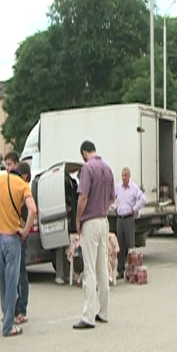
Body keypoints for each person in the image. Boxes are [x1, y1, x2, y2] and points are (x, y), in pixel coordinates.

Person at [0, 151, 37, 337]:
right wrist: (25, 230)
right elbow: (33, 210)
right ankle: (8, 325)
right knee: (13, 281)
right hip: (12, 238)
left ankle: (7, 316)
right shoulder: (22, 185)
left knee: (4, 282)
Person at [74, 141, 115, 330]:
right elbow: (113, 197)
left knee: (89, 269)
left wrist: (78, 218)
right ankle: (104, 311)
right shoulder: (107, 168)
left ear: (84, 153)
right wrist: (104, 209)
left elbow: (82, 197)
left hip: (90, 221)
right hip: (103, 220)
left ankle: (88, 316)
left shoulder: (87, 168)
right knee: (102, 268)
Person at [114, 167, 146, 278]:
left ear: (129, 176)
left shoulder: (134, 188)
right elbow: (111, 199)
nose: (124, 178)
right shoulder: (118, 187)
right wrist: (115, 208)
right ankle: (120, 270)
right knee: (120, 245)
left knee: (130, 245)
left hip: (128, 218)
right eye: (122, 175)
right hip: (120, 218)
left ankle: (133, 270)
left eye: (126, 176)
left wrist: (135, 208)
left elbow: (143, 199)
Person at [14, 162, 35, 325]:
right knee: (15, 273)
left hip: (20, 235)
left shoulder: (25, 191)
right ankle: (16, 309)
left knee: (20, 272)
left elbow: (30, 213)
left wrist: (24, 230)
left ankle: (22, 309)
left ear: (25, 176)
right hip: (16, 234)